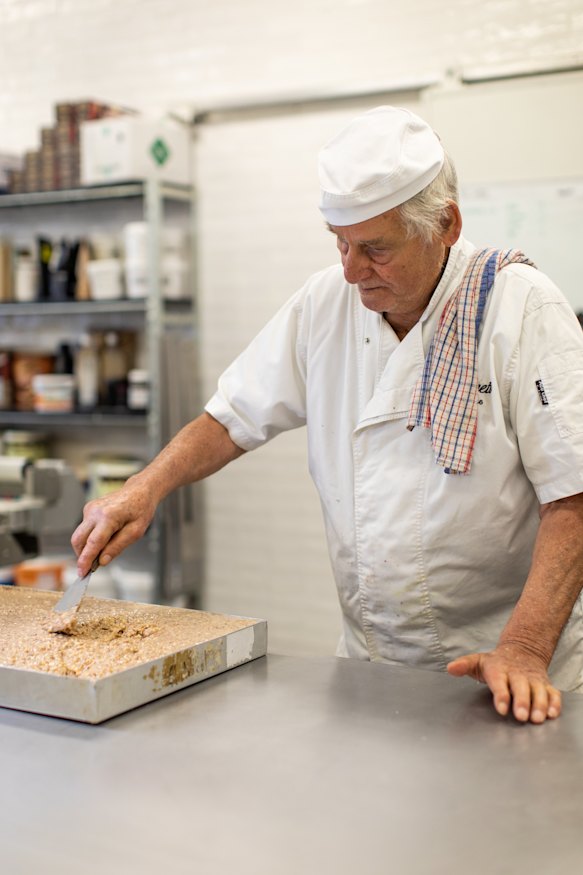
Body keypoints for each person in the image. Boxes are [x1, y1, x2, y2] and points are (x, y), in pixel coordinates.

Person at [72, 105, 583, 724]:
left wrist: (525, 650)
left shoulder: (522, 310)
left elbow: (572, 496)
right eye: (339, 243)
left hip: (507, 673)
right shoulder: (325, 302)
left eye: (374, 249)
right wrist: (145, 486)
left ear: (445, 225)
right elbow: (230, 417)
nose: (350, 270)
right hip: (371, 667)